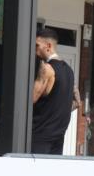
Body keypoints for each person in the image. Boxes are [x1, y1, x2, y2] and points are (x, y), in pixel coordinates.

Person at [33, 26, 79, 155]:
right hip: (58, 138)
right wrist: (57, 112)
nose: (35, 50)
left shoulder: (46, 69)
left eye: (37, 45)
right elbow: (77, 102)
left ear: (48, 46)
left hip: (39, 137)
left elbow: (30, 100)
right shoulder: (69, 71)